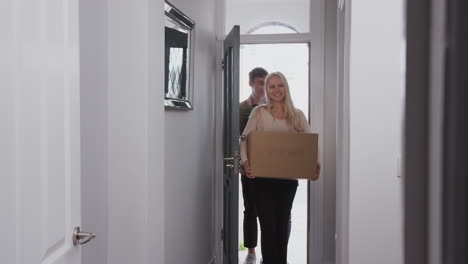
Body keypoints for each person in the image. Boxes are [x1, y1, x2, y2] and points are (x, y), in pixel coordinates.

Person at [240, 72, 321, 264]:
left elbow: (309, 144)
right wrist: (245, 161)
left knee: (282, 226)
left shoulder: (297, 115)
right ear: (267, 90)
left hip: (287, 182)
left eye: (280, 85)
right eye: (272, 86)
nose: (276, 90)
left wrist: (314, 164)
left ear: (286, 88)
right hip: (262, 181)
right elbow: (244, 139)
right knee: (268, 228)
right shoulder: (259, 112)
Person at [240, 67, 268, 264]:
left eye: (265, 83)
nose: (263, 87)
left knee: (271, 213)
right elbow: (238, 137)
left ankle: (271, 254)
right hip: (249, 168)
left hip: (271, 168)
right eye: (260, 82)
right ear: (251, 83)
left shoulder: (273, 108)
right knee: (251, 210)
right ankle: (251, 252)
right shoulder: (240, 108)